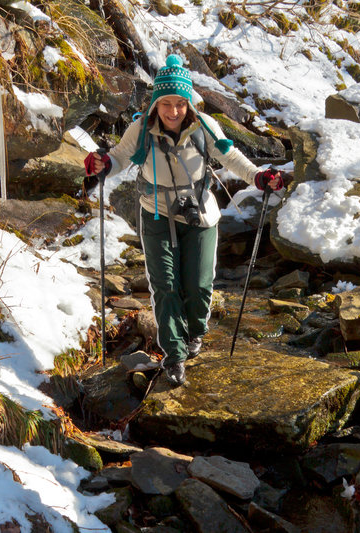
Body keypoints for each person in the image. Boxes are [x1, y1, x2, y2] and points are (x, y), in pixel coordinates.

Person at [84, 54, 285, 387]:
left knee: (198, 284)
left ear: (189, 103)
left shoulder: (204, 126)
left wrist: (260, 178)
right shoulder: (142, 128)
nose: (173, 111)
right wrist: (102, 165)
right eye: (166, 103)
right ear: (156, 104)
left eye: (180, 103)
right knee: (164, 286)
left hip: (200, 212)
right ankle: (174, 356)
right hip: (156, 212)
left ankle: (195, 332)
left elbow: (230, 157)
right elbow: (118, 158)